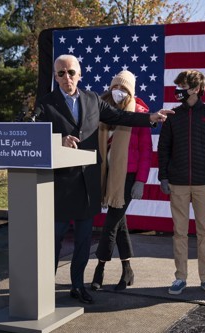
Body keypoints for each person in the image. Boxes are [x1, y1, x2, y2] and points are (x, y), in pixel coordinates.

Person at [35, 54, 172, 304]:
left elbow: (121, 117)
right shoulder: (45, 104)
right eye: (61, 73)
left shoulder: (92, 99)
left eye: (71, 72)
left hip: (89, 184)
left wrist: (150, 117)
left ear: (80, 74)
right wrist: (58, 140)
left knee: (83, 241)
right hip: (61, 187)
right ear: (55, 77)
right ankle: (44, 289)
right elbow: (32, 135)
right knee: (54, 241)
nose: (67, 77)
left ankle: (77, 285)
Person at [157, 69, 205, 297]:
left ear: (196, 89)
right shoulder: (172, 116)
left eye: (182, 87)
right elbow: (164, 148)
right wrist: (163, 177)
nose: (178, 91)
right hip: (177, 183)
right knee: (179, 232)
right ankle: (180, 278)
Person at [91, 70, 152, 291]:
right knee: (120, 222)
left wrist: (141, 181)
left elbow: (146, 151)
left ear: (131, 92)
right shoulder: (103, 111)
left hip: (128, 176)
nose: (119, 92)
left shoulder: (139, 114)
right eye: (116, 87)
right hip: (108, 175)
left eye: (124, 89)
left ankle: (99, 269)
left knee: (110, 224)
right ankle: (127, 271)